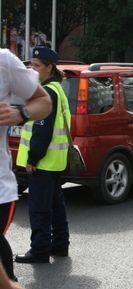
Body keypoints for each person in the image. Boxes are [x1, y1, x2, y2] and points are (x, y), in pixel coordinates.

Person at [0, 48, 68, 289]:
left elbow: (43, 105)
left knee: (47, 210)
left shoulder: (4, 61)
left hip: (9, 184)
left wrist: (20, 113)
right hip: (43, 165)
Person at [15, 46, 71, 264]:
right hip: (54, 162)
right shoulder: (57, 89)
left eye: (37, 65)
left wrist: (32, 159)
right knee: (56, 206)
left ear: (49, 68)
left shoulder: (47, 92)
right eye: (30, 64)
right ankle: (59, 245)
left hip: (43, 162)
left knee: (39, 209)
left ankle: (39, 250)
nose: (32, 68)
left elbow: (42, 129)